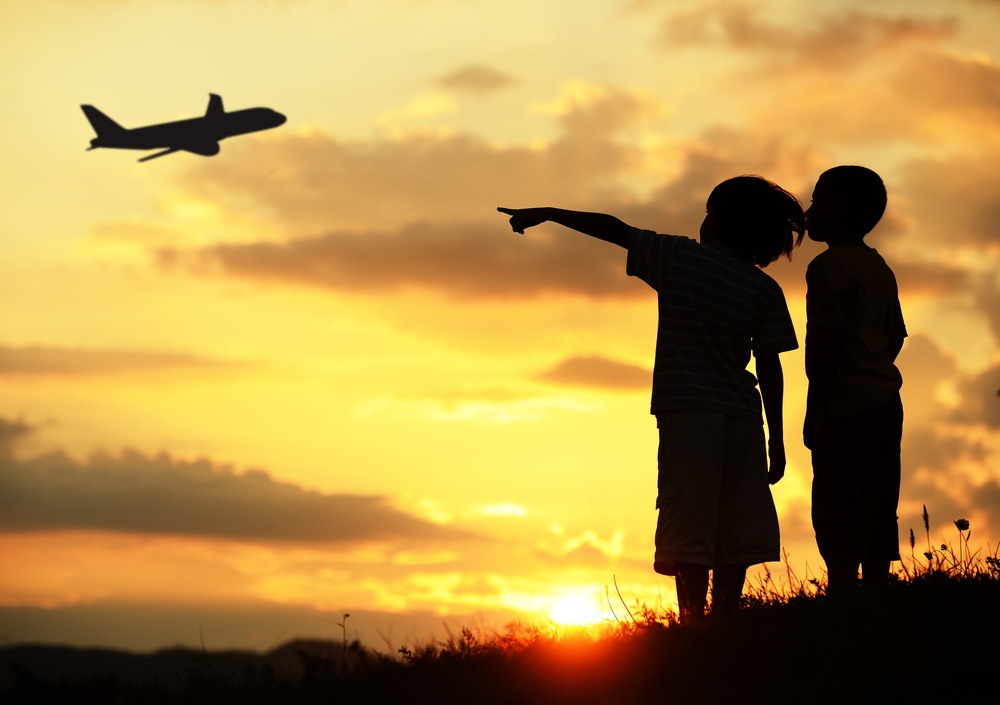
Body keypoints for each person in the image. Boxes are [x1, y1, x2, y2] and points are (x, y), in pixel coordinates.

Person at [498, 175, 804, 621]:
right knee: (737, 524)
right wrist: (777, 439)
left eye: (708, 213)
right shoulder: (765, 289)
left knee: (690, 519)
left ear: (720, 222)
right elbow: (771, 367)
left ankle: (693, 623)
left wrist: (549, 213)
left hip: (691, 415)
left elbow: (614, 229)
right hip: (742, 417)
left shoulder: (681, 258)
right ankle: (726, 620)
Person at [803, 165, 906, 597]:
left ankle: (843, 589)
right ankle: (878, 586)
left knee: (838, 500)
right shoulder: (878, 266)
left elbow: (823, 346)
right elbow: (896, 334)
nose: (809, 211)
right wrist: (873, 367)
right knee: (881, 495)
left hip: (846, 405)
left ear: (837, 207)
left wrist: (816, 409)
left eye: (817, 200)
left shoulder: (828, 267)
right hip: (886, 399)